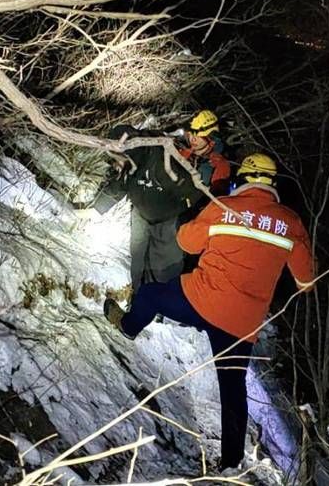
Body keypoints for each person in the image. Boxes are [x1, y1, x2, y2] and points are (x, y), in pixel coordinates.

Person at [103, 152, 316, 470]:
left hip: (199, 299)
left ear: (242, 179)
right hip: (241, 324)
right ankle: (231, 463)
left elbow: (186, 242)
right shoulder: (290, 222)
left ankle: (129, 325)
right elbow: (307, 281)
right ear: (272, 184)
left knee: (149, 293)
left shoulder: (223, 207)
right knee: (232, 389)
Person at [90, 110, 230, 290]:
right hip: (143, 213)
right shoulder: (174, 147)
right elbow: (133, 170)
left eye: (199, 135)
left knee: (164, 269)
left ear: (211, 137)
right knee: (139, 258)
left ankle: (159, 309)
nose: (193, 138)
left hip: (173, 220)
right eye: (191, 133)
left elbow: (214, 203)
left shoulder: (217, 165)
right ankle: (138, 296)